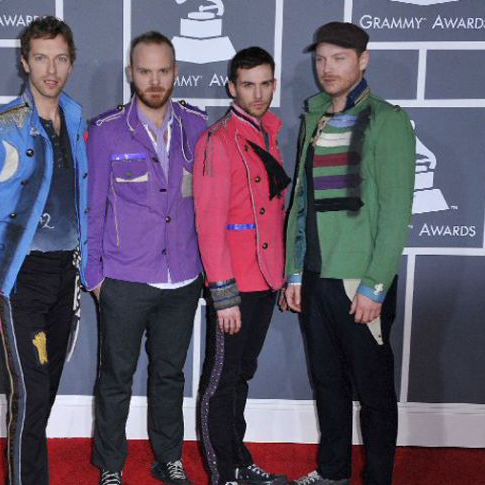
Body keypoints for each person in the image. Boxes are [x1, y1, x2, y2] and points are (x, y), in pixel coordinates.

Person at [0, 16, 90, 485]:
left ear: (71, 63)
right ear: (24, 62)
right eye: (41, 58)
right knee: (30, 394)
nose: (51, 69)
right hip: (21, 277)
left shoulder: (77, 120)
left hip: (66, 274)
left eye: (60, 58)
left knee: (45, 391)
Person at [282, 22, 416, 485]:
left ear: (363, 60)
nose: (327, 68)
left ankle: (378, 478)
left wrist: (376, 285)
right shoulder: (315, 118)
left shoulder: (388, 120)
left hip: (360, 281)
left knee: (374, 393)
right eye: (321, 59)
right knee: (327, 383)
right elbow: (302, 203)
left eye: (339, 58)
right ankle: (333, 472)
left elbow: (396, 213)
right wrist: (295, 271)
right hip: (315, 277)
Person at [85, 31, 208, 485]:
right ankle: (111, 465)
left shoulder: (198, 126)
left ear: (175, 72)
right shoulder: (105, 131)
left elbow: (208, 204)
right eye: (145, 71)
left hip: (183, 277)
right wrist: (94, 276)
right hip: (124, 278)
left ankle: (169, 457)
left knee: (169, 375)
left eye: (163, 71)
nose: (154, 80)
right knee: (116, 378)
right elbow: (92, 208)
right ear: (130, 74)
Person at [193, 46, 290, 485]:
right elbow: (209, 225)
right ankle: (222, 473)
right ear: (232, 87)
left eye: (265, 84)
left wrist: (281, 276)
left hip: (265, 277)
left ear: (274, 85)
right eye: (248, 85)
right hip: (234, 282)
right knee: (220, 380)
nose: (258, 94)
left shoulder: (270, 132)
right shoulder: (216, 141)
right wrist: (223, 293)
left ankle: (239, 460)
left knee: (241, 376)